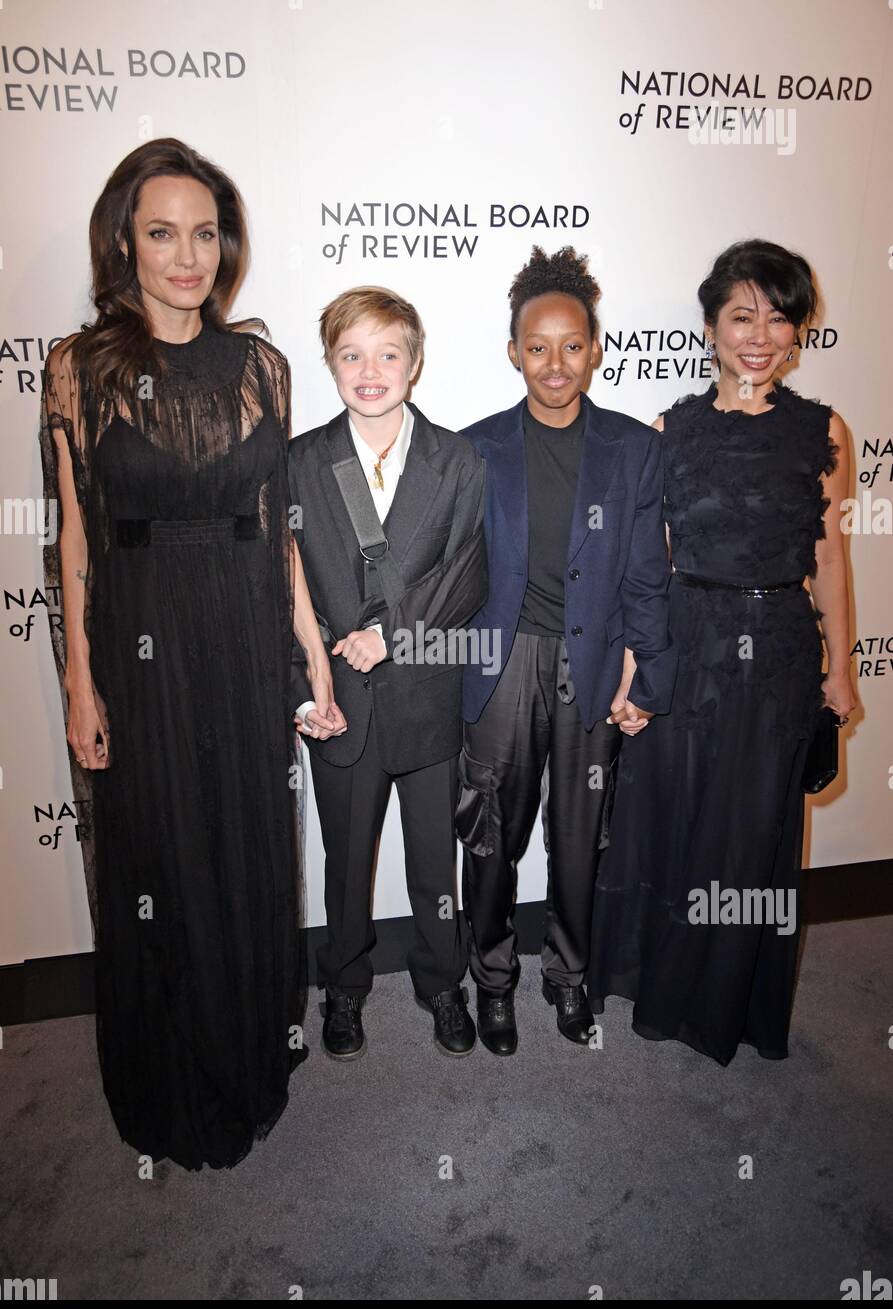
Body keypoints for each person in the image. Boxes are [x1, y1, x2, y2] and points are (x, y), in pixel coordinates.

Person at [40, 137, 338, 1169]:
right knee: (159, 859)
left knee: (246, 849)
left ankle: (249, 1050)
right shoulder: (79, 368)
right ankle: (171, 1079)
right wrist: (80, 676)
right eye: (162, 232)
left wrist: (310, 651)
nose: (186, 255)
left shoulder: (262, 364)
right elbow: (75, 534)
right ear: (125, 240)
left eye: (204, 232)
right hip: (140, 639)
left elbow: (280, 523)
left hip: (246, 635)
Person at [589, 239, 858, 1065]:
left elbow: (829, 559)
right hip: (687, 635)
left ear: (798, 333)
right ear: (709, 326)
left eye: (779, 318)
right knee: (672, 817)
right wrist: (636, 671)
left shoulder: (825, 432)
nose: (759, 335)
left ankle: (726, 1005)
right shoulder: (671, 431)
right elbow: (651, 563)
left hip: (776, 646)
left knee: (751, 830)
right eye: (742, 315)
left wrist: (841, 666)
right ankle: (663, 986)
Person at [458, 246, 676, 1055]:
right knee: (491, 835)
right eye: (537, 346)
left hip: (593, 666)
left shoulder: (633, 448)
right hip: (502, 664)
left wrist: (648, 673)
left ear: (595, 347)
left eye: (572, 345)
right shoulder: (473, 448)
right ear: (513, 351)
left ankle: (568, 978)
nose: (555, 364)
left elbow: (647, 574)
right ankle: (492, 980)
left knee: (580, 838)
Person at [288, 286, 487, 1060]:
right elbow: (280, 586)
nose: (369, 371)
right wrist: (302, 693)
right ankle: (342, 988)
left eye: (387, 354)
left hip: (426, 694)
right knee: (346, 863)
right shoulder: (301, 461)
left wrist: (390, 636)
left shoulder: (457, 459)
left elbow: (469, 575)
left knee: (436, 861)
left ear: (414, 362)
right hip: (338, 701)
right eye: (351, 355)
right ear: (331, 363)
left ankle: (443, 985)